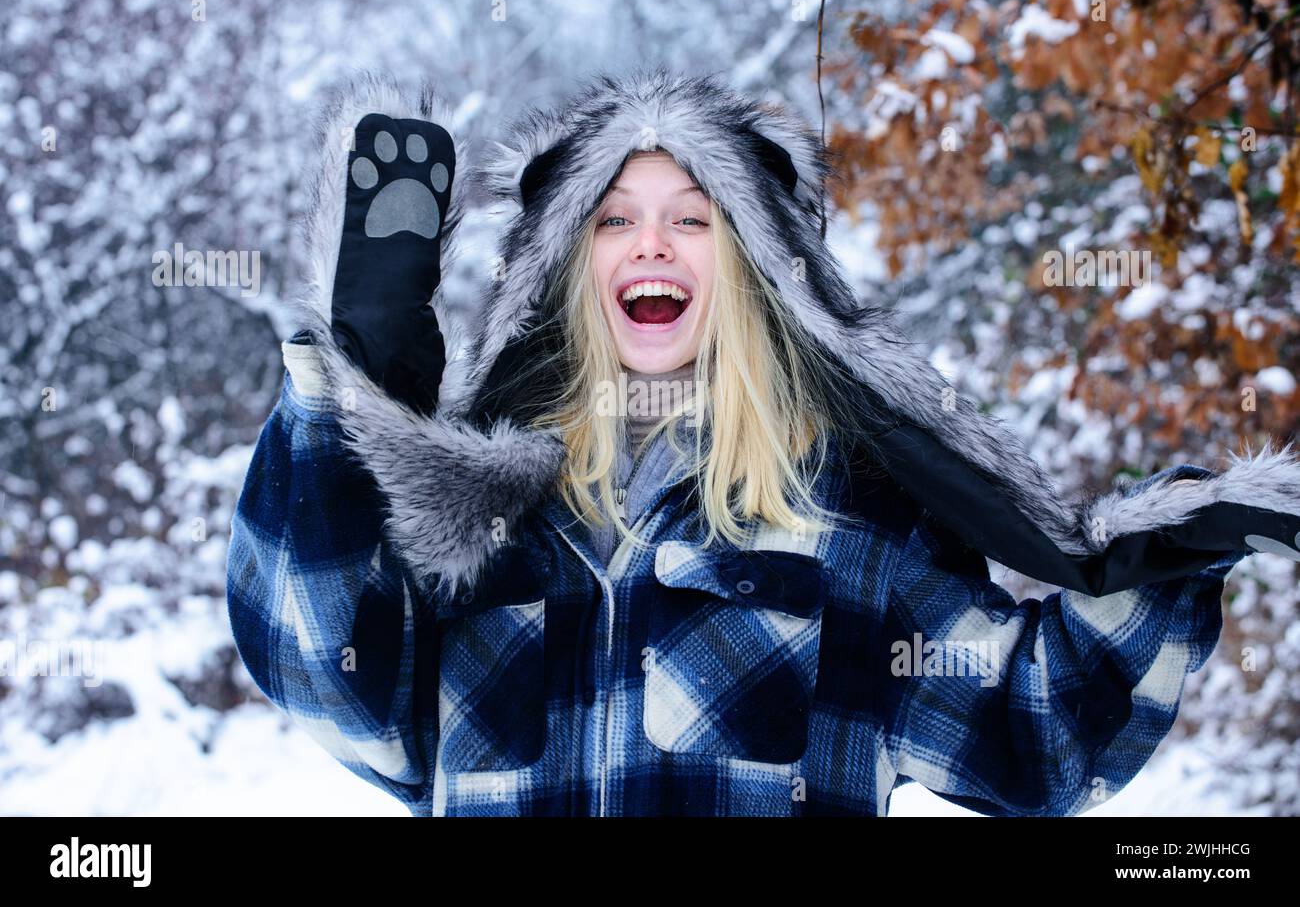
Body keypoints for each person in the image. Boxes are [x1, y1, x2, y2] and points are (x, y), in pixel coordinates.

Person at [226, 68, 1300, 817]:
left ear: (753, 267)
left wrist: (1171, 556)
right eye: (612, 218)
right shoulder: (486, 532)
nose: (651, 240)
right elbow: (327, 673)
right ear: (563, 272)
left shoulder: (842, 519)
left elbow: (1033, 733)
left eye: (694, 216)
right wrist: (350, 388)